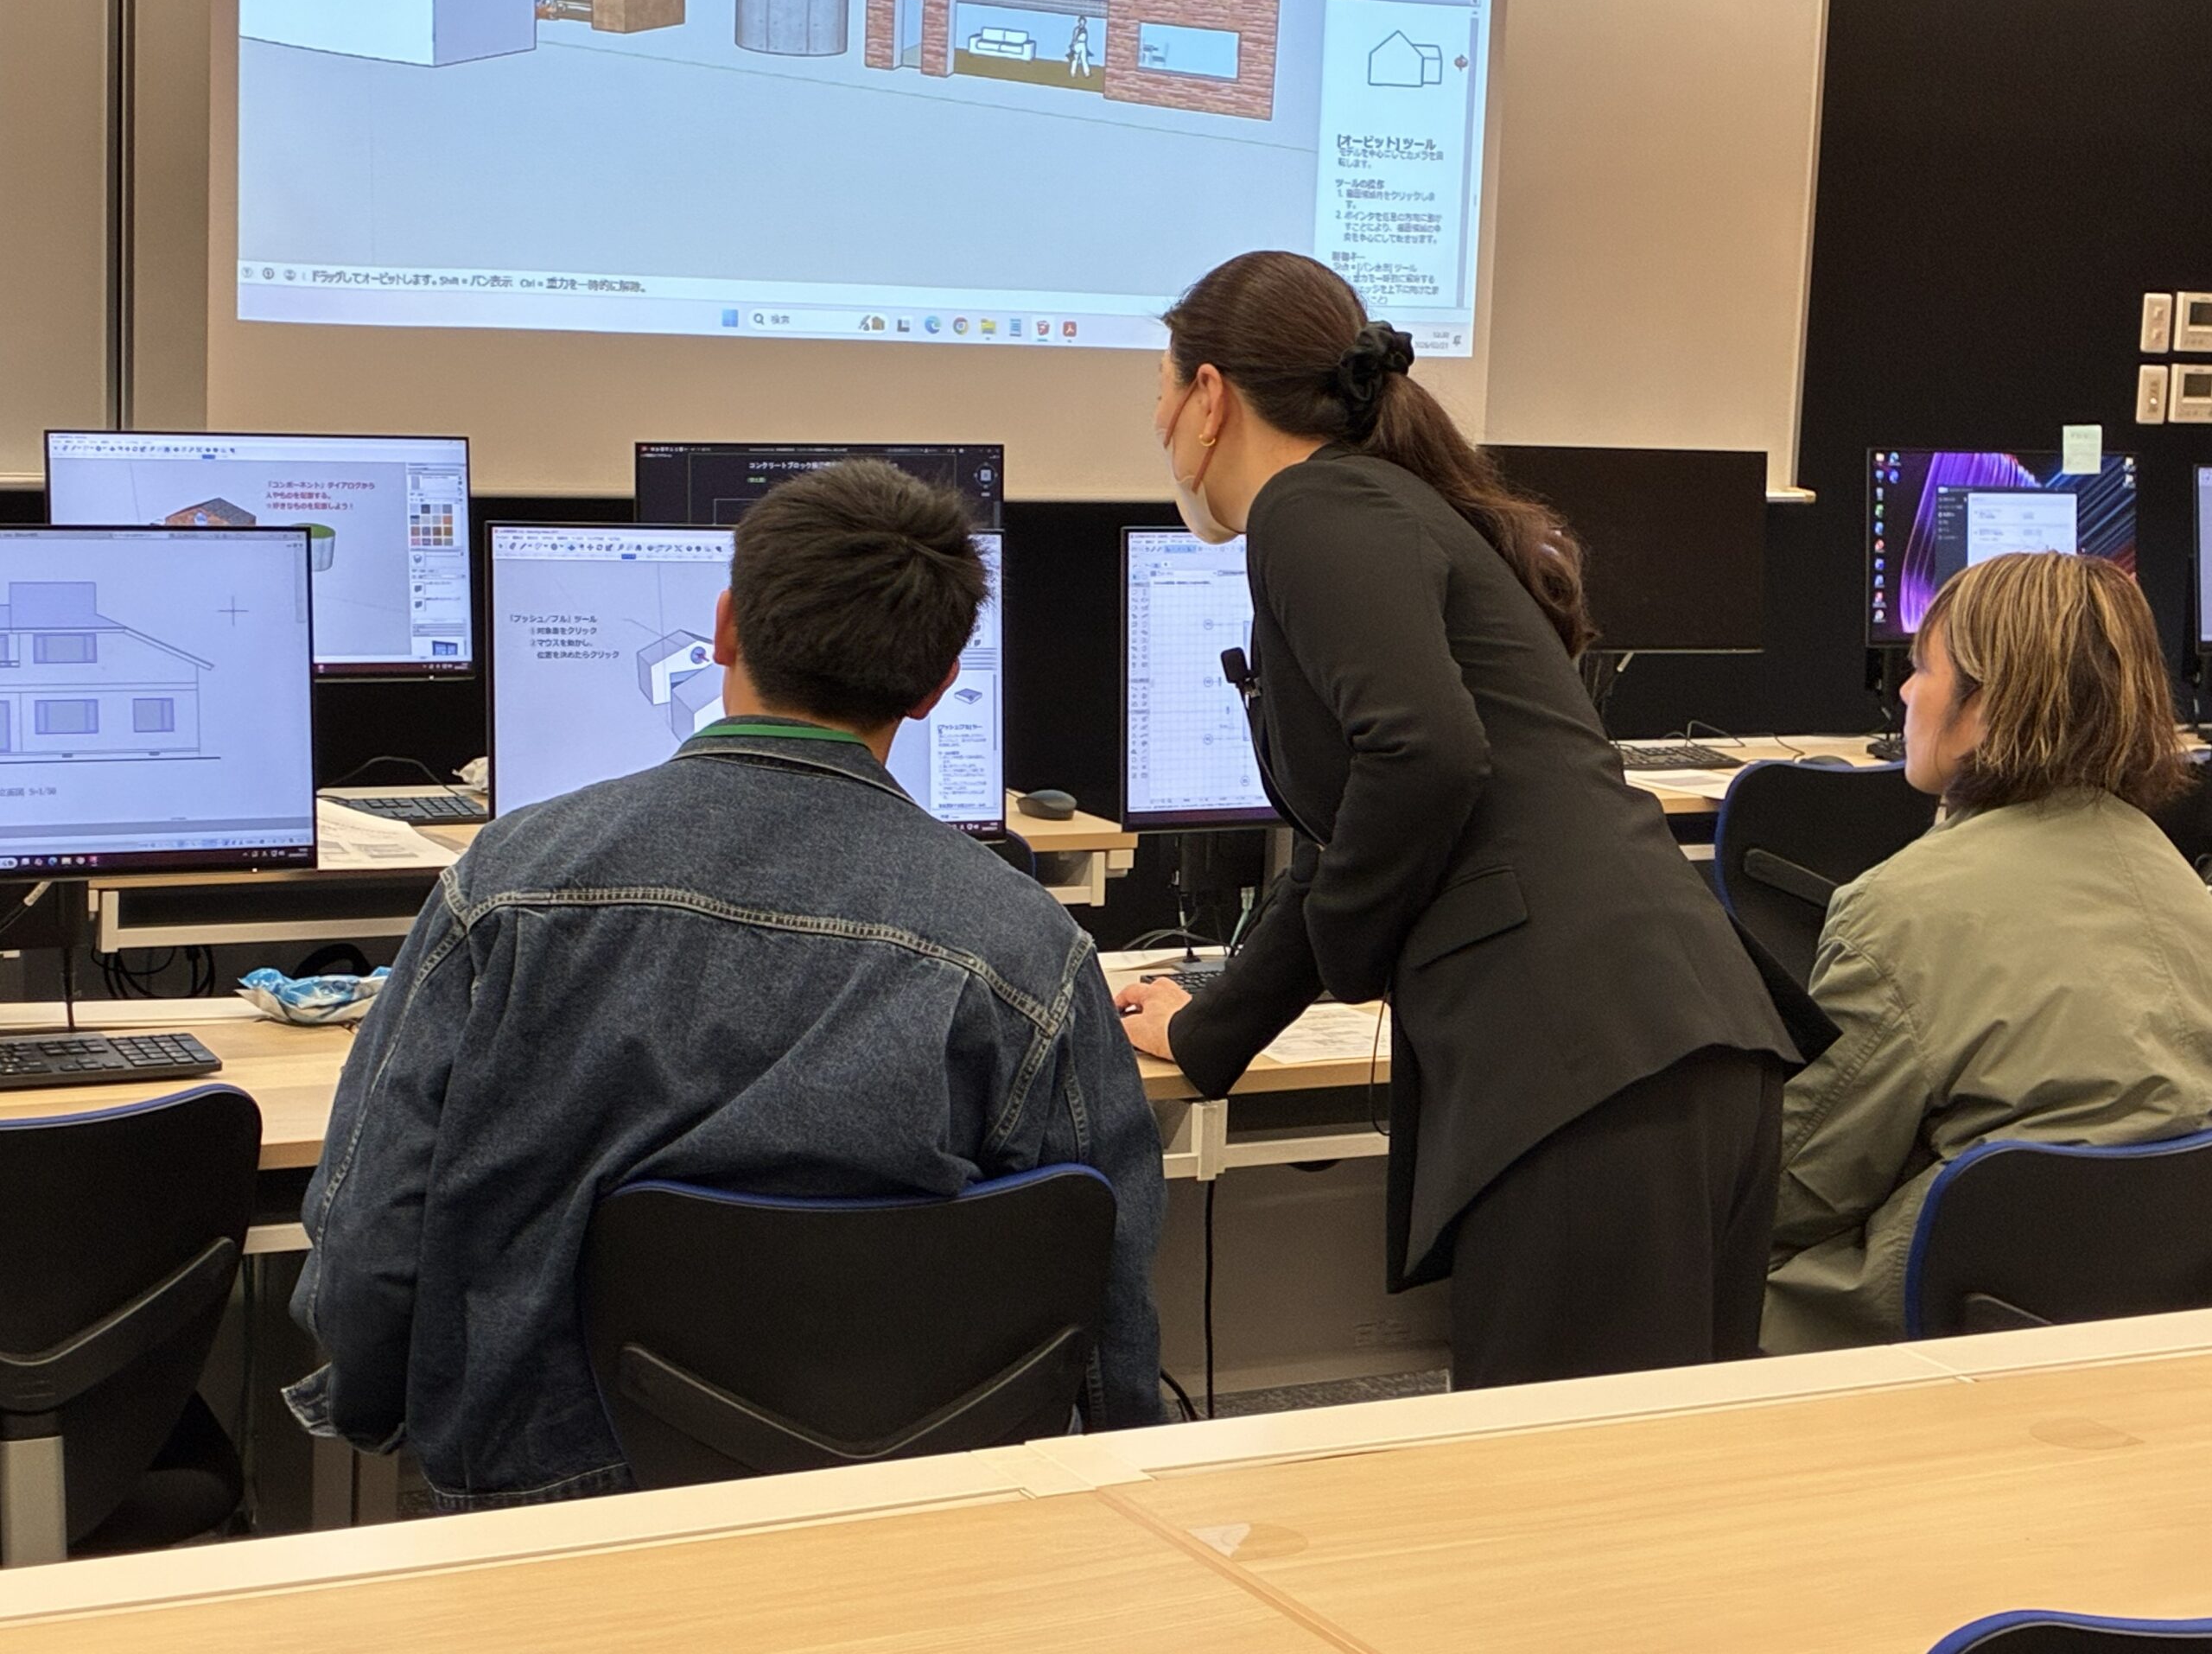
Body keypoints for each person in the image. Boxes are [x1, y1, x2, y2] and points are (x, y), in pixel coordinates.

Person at [288, 461, 1166, 1510]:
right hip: (905, 1491)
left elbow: (373, 1233)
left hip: (548, 1495)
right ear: (938, 686)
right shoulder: (1028, 945)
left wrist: (382, 1412)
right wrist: (1119, 1475)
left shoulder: (507, 882)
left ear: (723, 629)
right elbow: (1098, 1264)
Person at [1115, 250, 1827, 1390]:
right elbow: (1364, 816)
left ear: (1209, 396)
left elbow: (1426, 754)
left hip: (1583, 1062)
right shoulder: (1385, 506)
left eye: (1158, 388)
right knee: (1653, 1470)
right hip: (1666, 1040)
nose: (1154, 422)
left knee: (1567, 1480)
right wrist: (1211, 1028)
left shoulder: (1311, 508)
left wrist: (1353, 952)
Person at [1764, 552, 2212, 1352]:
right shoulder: (2177, 879)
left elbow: (1798, 1186)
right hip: (2161, 1314)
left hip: (1945, 1314)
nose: (1905, 693)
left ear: (1987, 707)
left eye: (1922, 669)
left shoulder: (1897, 911)